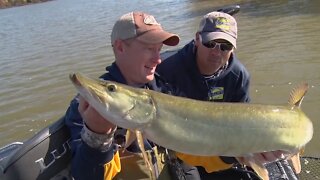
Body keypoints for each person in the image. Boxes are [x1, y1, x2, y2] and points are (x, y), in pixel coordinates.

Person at [156, 11, 297, 179]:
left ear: (233, 48)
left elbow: (243, 123)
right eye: (210, 44)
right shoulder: (166, 69)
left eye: (225, 46)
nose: (216, 52)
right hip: (182, 144)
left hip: (220, 144)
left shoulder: (239, 75)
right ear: (197, 39)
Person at [64, 11, 181, 180]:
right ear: (120, 47)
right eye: (149, 49)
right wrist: (97, 135)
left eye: (159, 50)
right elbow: (85, 176)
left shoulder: (161, 87)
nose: (158, 59)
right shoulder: (87, 106)